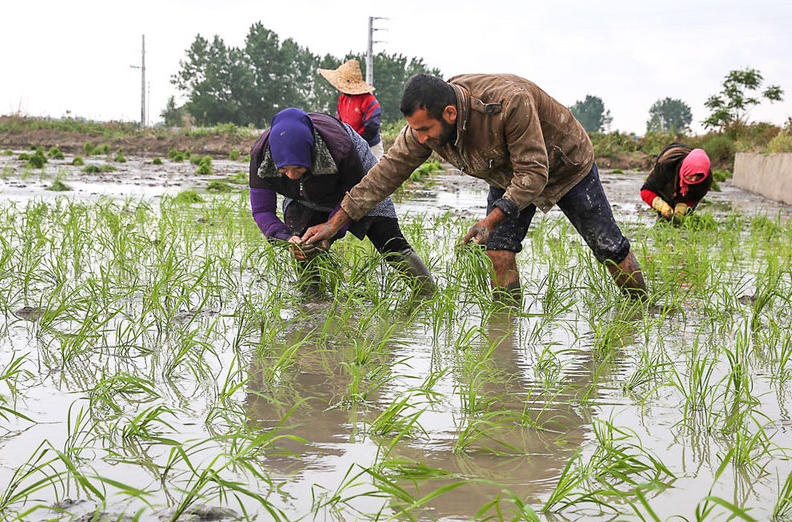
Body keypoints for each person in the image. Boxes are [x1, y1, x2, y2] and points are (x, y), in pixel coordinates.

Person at [301, 73, 647, 301]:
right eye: (415, 131)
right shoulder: (425, 127)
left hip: (565, 164)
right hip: (505, 174)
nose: (420, 139)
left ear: (450, 113)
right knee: (498, 251)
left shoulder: (508, 103)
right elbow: (386, 173)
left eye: (424, 130)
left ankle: (641, 310)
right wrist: (338, 220)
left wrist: (490, 219)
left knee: (609, 248)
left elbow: (533, 174)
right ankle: (506, 329)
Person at [248, 107, 433, 293]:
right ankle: (314, 305)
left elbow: (355, 198)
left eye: (298, 168)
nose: (291, 176)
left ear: (311, 153)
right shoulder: (261, 156)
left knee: (389, 240)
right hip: (303, 195)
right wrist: (287, 238)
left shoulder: (340, 147)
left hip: (356, 184)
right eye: (284, 170)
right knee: (305, 246)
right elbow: (262, 211)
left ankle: (428, 296)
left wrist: (332, 231)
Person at [319, 59, 384, 160]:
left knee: (375, 173)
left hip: (371, 146)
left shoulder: (369, 100)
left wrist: (357, 142)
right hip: (350, 145)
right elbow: (339, 123)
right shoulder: (342, 99)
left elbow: (372, 128)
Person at [640, 144, 712, 222]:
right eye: (691, 175)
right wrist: (662, 206)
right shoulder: (665, 166)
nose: (694, 180)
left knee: (682, 218)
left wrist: (683, 205)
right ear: (686, 170)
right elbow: (645, 191)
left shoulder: (706, 178)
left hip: (688, 159)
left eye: (698, 177)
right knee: (664, 217)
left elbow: (696, 197)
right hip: (670, 161)